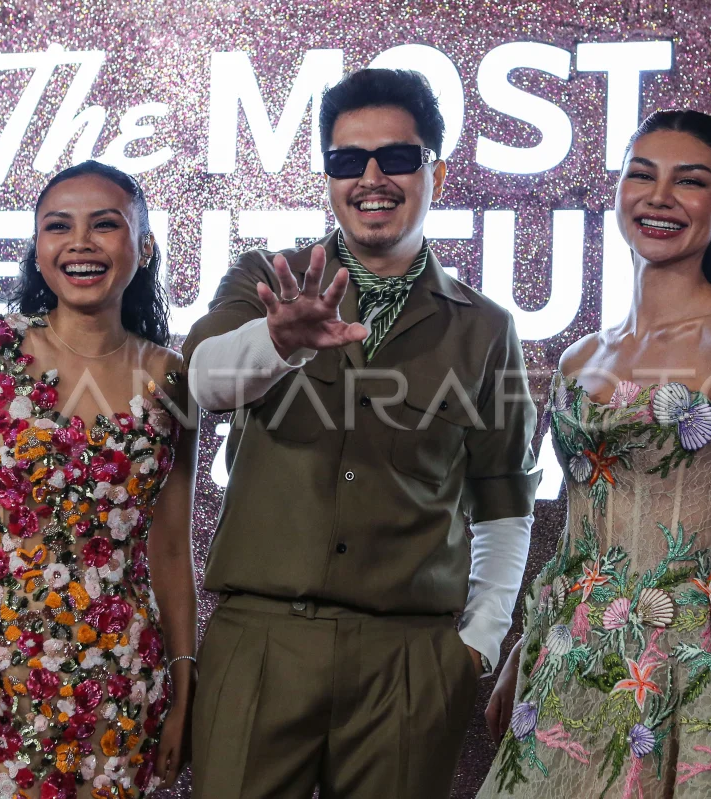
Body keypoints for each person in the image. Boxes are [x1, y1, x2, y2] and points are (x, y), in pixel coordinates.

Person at [181, 68, 540, 799]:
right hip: (261, 642)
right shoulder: (267, 280)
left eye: (396, 158)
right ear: (329, 178)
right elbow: (203, 382)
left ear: (437, 171)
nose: (372, 178)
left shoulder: (484, 328)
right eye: (348, 160)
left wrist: (476, 643)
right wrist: (279, 340)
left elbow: (504, 500)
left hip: (408, 660)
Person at [477, 110, 711, 798]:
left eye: (691, 181)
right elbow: (583, 535)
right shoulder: (581, 356)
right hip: (564, 669)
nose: (660, 196)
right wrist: (529, 644)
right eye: (642, 175)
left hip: (681, 674)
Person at [0, 160, 199, 799]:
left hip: (120, 677)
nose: (80, 243)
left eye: (105, 225)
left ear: (145, 247)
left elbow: (172, 548)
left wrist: (182, 686)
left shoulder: (171, 378)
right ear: (38, 249)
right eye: (58, 226)